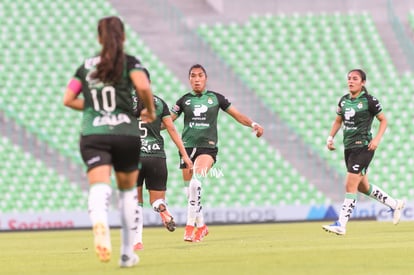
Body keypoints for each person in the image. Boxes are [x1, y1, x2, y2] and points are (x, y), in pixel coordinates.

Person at [63, 16, 155, 267]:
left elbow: (68, 98)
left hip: (94, 134)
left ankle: (99, 222)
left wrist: (93, 108)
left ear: (99, 38)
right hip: (125, 134)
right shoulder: (130, 63)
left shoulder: (85, 66)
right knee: (127, 194)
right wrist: (150, 109)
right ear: (123, 37)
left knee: (99, 185)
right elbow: (144, 86)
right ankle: (127, 253)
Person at [170, 64, 264, 242]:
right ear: (189, 79)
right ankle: (202, 226)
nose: (196, 79)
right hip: (186, 149)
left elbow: (237, 115)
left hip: (208, 148)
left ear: (205, 78)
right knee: (189, 192)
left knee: (196, 183)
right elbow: (168, 121)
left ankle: (189, 228)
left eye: (200, 76)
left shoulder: (216, 98)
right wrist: (147, 126)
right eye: (193, 76)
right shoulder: (183, 101)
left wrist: (253, 124)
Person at [322, 69, 405, 235]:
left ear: (363, 83)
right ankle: (395, 204)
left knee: (350, 184)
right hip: (349, 147)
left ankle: (341, 224)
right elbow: (338, 121)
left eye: (355, 79)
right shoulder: (344, 101)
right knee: (363, 187)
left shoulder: (369, 101)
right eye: (349, 79)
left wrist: (376, 139)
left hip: (364, 147)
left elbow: (384, 120)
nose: (350, 81)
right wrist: (330, 138)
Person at [132, 69, 193, 251]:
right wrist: (184, 154)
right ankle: (161, 207)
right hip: (156, 157)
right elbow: (172, 129)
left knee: (136, 202)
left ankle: (137, 241)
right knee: (156, 200)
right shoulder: (159, 103)